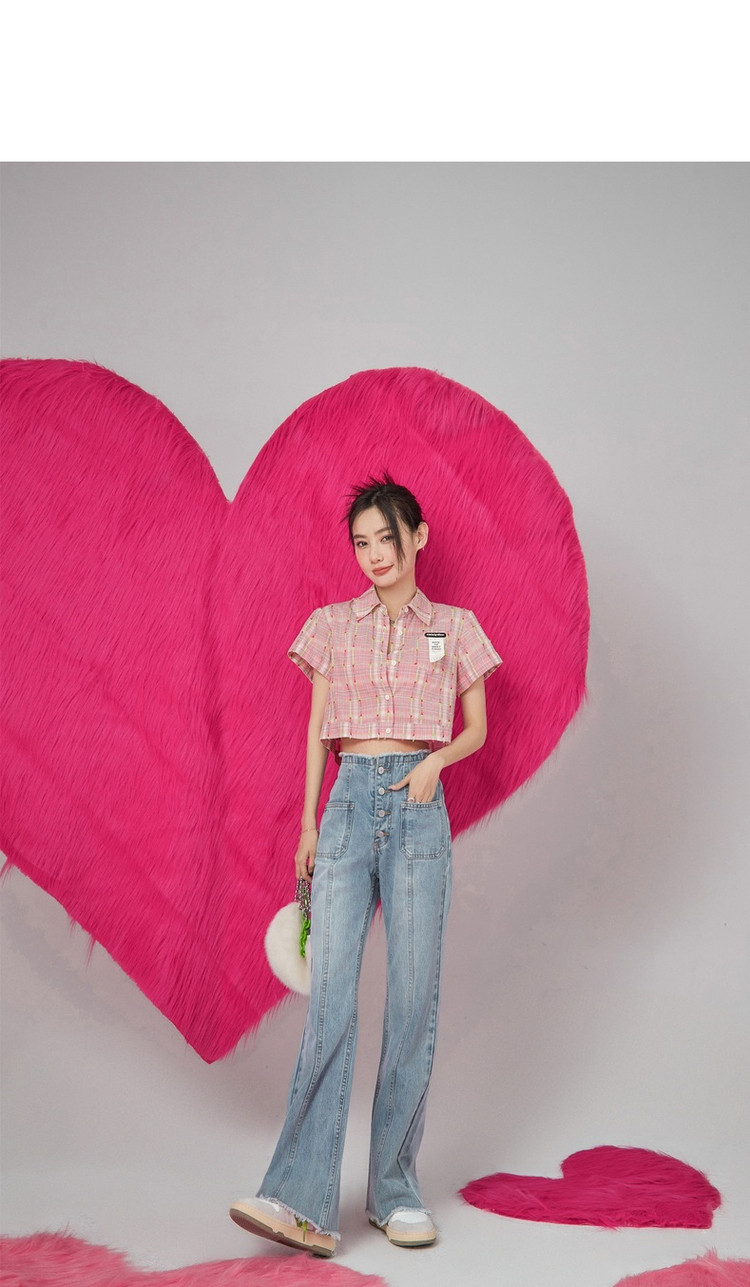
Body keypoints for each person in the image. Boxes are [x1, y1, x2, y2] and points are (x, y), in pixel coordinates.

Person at [229, 473, 502, 1257]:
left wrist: (436, 761)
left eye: (387, 537)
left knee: (413, 999)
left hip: (418, 806)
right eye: (362, 542)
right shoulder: (331, 626)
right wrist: (309, 823)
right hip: (348, 805)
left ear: (418, 537)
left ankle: (395, 1189)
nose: (376, 554)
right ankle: (300, 1198)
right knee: (331, 1001)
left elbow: (477, 727)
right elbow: (318, 728)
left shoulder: (453, 627)